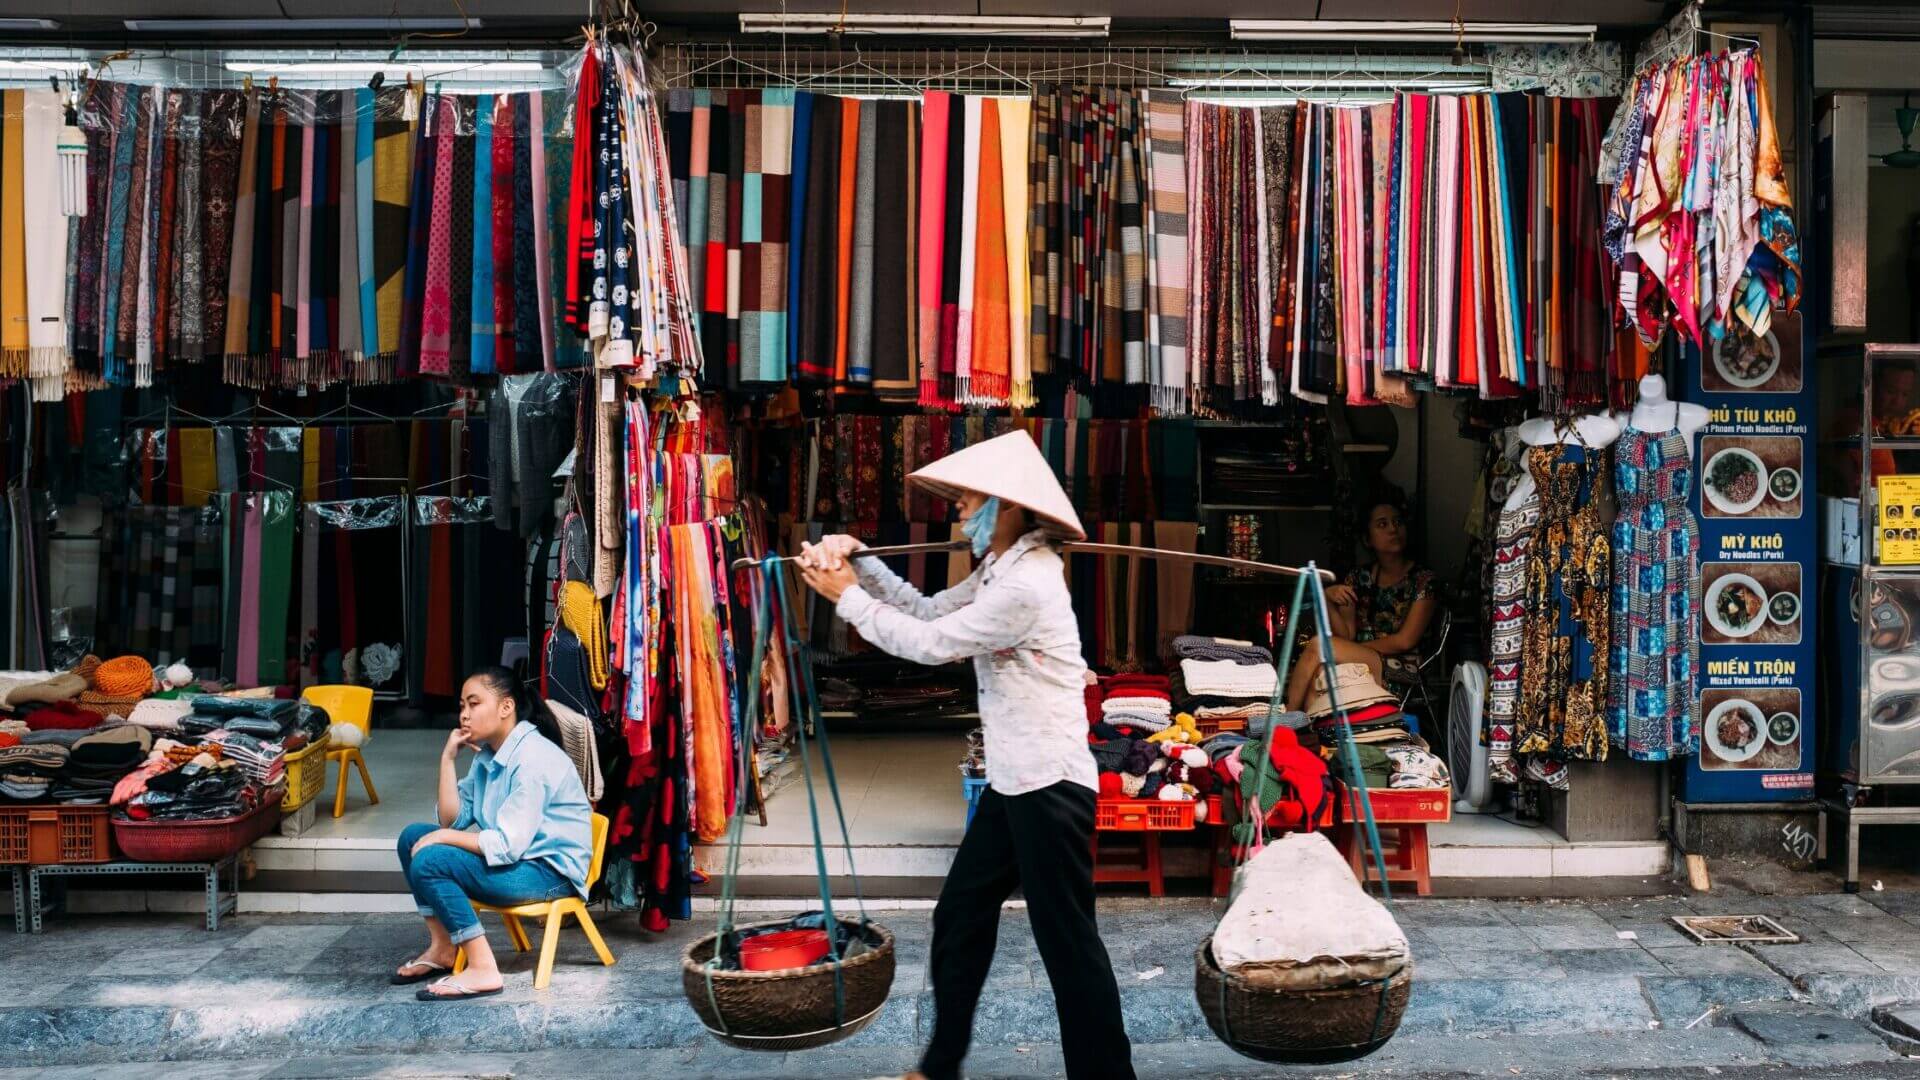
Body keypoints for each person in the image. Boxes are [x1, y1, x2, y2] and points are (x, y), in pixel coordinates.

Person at [796, 431, 1135, 1080]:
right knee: (960, 915)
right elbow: (924, 609)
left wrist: (846, 596)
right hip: (1016, 782)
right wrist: (862, 563)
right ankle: (940, 1066)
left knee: (1068, 948)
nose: (955, 507)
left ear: (1005, 506)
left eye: (967, 497)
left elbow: (933, 645)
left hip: (1050, 789)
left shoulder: (1027, 585)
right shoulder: (997, 571)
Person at [390, 666, 594, 1001]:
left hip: (549, 874)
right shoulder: (490, 755)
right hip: (518, 863)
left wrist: (443, 839)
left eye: (474, 704)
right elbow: (452, 822)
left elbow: (505, 845)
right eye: (462, 706)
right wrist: (447, 759)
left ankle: (483, 967)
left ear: (506, 707)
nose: (465, 715)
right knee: (412, 837)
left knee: (432, 857)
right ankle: (442, 948)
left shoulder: (532, 759)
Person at [1285, 491, 1438, 711]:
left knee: (1320, 646)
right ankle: (1314, 738)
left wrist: (1349, 650)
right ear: (1368, 539)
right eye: (1382, 524)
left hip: (1404, 670)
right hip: (1361, 662)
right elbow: (1346, 634)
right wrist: (1327, 599)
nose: (1393, 529)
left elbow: (1405, 641)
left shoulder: (1424, 580)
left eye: (1397, 522)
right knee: (1320, 673)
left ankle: (1283, 721)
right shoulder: (1358, 578)